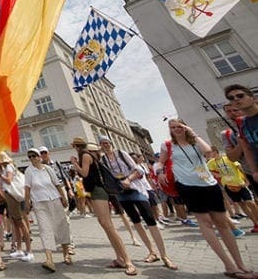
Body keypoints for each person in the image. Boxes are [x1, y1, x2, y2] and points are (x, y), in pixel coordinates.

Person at [155, 119, 254, 279]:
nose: (176, 130)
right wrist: (160, 173)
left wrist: (192, 133)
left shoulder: (195, 141)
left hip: (208, 183)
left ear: (185, 126)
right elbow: (161, 162)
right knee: (206, 223)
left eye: (179, 126)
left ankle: (240, 264)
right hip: (187, 186)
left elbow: (208, 152)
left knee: (222, 223)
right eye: (172, 128)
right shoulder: (167, 145)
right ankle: (229, 265)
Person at [98, 136, 177, 270]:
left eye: (107, 142)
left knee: (150, 221)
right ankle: (152, 252)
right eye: (102, 143)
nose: (105, 145)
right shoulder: (103, 160)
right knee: (136, 222)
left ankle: (165, 256)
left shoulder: (121, 154)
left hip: (135, 189)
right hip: (121, 193)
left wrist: (128, 180)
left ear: (111, 143)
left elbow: (138, 170)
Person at [69, 136, 137, 276]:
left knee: (108, 225)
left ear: (75, 146)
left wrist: (75, 164)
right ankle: (120, 259)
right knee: (105, 224)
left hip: (98, 190)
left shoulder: (85, 155)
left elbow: (84, 173)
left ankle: (128, 261)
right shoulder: (87, 154)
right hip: (96, 191)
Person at [24, 148, 71, 273]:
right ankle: (49, 259)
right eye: (30, 157)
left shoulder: (48, 169)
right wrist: (27, 203)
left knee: (61, 226)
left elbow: (57, 184)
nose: (33, 158)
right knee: (45, 229)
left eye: (34, 156)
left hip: (55, 200)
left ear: (39, 157)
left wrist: (63, 197)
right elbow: (27, 189)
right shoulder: (29, 171)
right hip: (39, 203)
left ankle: (66, 253)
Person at [206, 146, 258, 234]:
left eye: (210, 152)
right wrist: (217, 175)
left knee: (250, 203)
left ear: (215, 151)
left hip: (239, 183)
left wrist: (247, 181)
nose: (209, 155)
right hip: (228, 186)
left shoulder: (228, 158)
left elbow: (240, 168)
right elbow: (209, 171)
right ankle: (255, 223)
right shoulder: (211, 163)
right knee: (242, 205)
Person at [0, 151, 32, 263]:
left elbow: (8, 180)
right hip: (9, 196)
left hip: (13, 196)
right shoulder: (6, 167)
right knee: (15, 223)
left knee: (20, 222)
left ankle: (29, 251)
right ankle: (19, 249)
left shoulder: (8, 167)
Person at [224, 85, 258, 192]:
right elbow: (247, 149)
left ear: (253, 98)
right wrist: (254, 172)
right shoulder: (241, 122)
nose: (236, 99)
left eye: (240, 95)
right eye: (231, 98)